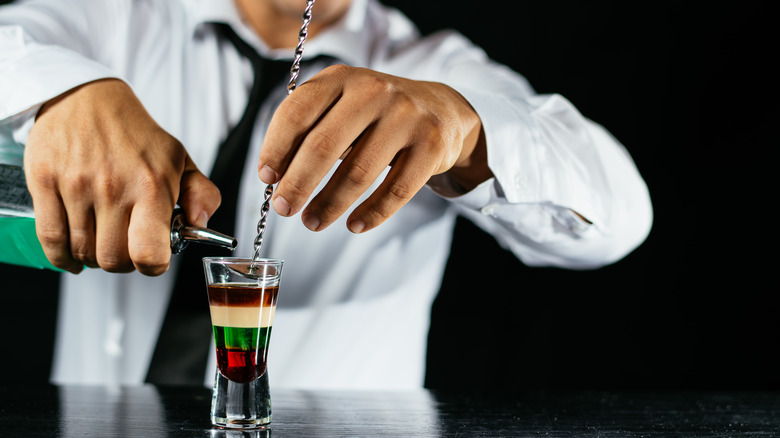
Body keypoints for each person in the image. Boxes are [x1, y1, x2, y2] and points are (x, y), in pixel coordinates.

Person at [0, 0, 652, 389]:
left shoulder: (432, 69)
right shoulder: (121, 18)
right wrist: (64, 91)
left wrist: (465, 132)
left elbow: (621, 214)